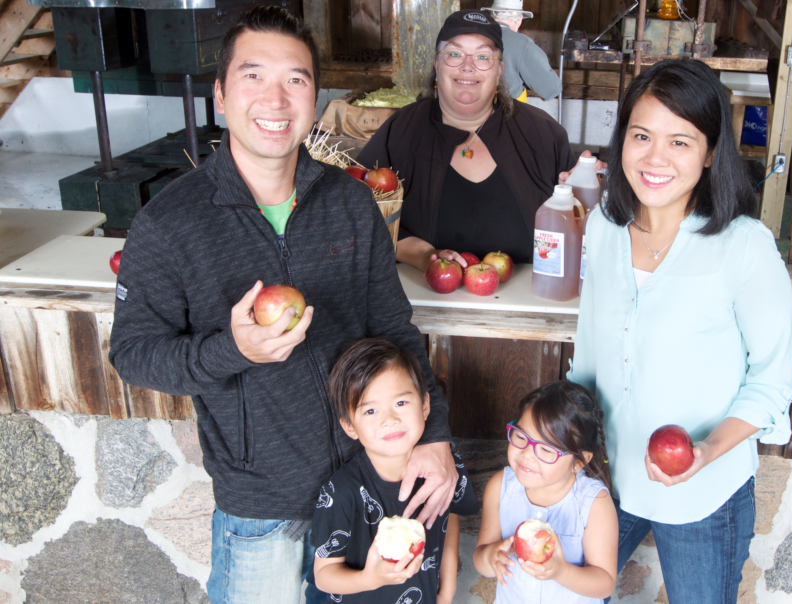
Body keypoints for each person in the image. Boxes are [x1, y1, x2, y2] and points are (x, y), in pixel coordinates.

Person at [108, 8, 458, 604]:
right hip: (264, 506)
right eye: (253, 75)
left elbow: (393, 327)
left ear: (315, 98)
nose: (275, 97)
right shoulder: (169, 223)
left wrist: (436, 432)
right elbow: (134, 355)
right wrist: (231, 350)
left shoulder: (350, 204)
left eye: (295, 79)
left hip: (364, 487)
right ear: (220, 95)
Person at [567, 59, 792, 604]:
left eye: (680, 142)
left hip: (702, 493)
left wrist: (706, 451)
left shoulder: (744, 247)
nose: (655, 158)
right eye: (642, 136)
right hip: (607, 481)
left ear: (711, 152)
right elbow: (588, 356)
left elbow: (770, 382)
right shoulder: (603, 227)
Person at [357, 9, 578, 272]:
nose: (467, 66)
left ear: (499, 70)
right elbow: (357, 212)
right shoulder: (401, 131)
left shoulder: (542, 133)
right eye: (454, 54)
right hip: (420, 300)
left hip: (532, 301)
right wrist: (422, 255)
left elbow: (581, 224)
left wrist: (587, 196)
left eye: (483, 56)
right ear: (437, 65)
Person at [312, 338, 478, 604]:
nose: (389, 419)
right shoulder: (342, 491)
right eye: (371, 410)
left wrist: (446, 591)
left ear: (425, 405)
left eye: (401, 403)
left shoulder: (443, 471)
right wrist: (371, 578)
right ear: (349, 426)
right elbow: (324, 575)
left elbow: (449, 520)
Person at [473, 381, 618, 603]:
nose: (528, 454)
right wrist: (491, 558)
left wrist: (561, 571)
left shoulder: (594, 503)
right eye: (521, 437)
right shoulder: (500, 487)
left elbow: (605, 583)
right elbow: (481, 558)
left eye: (547, 449)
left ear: (579, 462)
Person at [483, 0, 562, 102]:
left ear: (491, 15)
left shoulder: (473, 36)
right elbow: (551, 89)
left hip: (468, 112)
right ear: (520, 19)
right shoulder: (522, 43)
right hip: (506, 114)